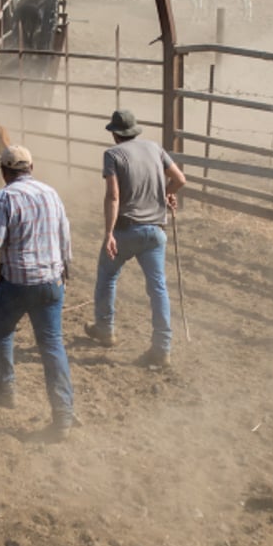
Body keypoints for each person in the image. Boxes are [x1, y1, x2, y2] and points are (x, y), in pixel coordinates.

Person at [0, 145, 75, 441]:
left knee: (1, 333)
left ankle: (5, 388)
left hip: (17, 282)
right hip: (50, 282)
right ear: (31, 167)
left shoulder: (4, 197)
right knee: (52, 345)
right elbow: (65, 235)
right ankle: (63, 415)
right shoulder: (51, 193)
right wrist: (64, 272)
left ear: (4, 172)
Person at [85, 109, 187, 368]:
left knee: (108, 276)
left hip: (126, 230)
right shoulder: (155, 148)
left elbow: (113, 196)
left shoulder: (113, 155)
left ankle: (106, 329)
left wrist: (108, 233)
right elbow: (180, 179)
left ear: (115, 133)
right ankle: (162, 347)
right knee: (158, 288)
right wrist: (165, 194)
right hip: (155, 231)